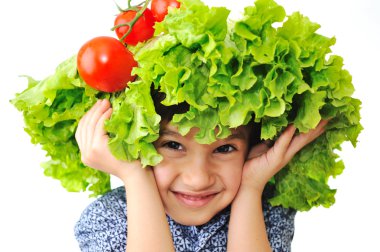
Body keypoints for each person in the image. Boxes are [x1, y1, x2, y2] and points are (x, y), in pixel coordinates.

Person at [74, 86, 328, 251]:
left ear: (253, 147)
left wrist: (250, 187)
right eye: (173, 145)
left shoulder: (268, 211)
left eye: (225, 149)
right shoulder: (108, 216)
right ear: (138, 142)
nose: (198, 179)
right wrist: (135, 175)